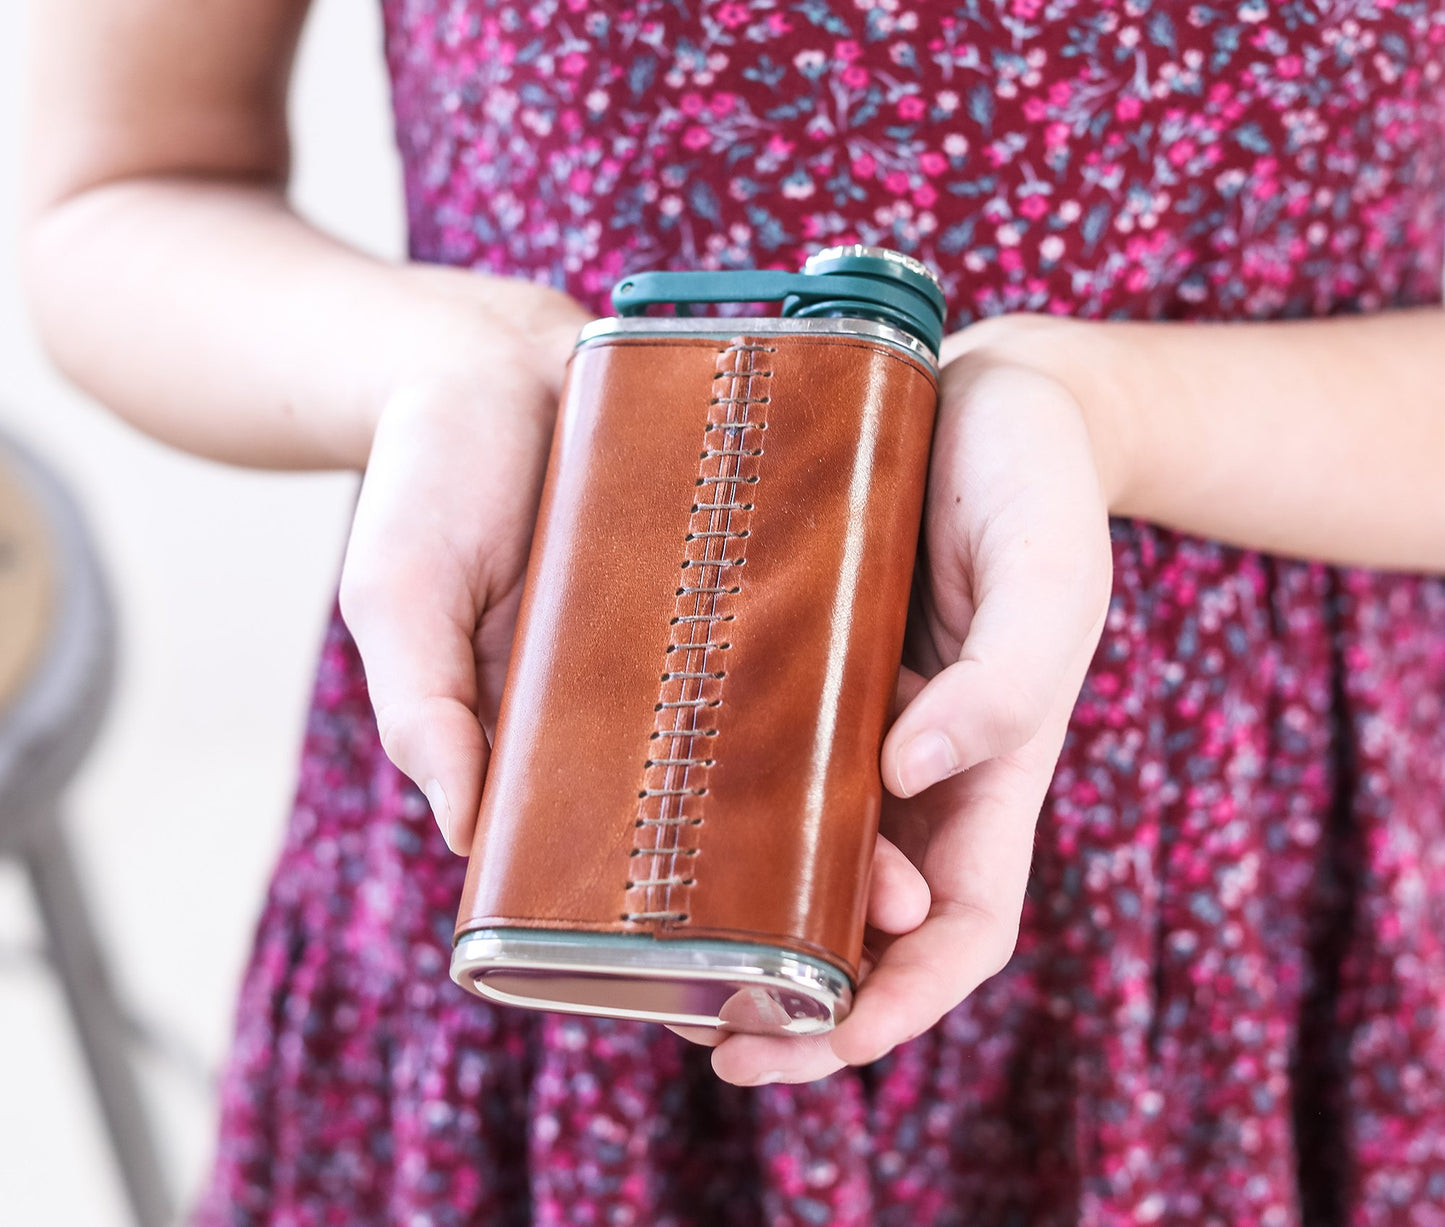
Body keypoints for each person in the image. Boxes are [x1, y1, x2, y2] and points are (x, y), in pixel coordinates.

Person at [23, 0, 1445, 1221]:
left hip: (1261, 866)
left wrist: (1111, 414)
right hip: (561, 766)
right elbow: (116, 194)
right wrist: (457, 366)